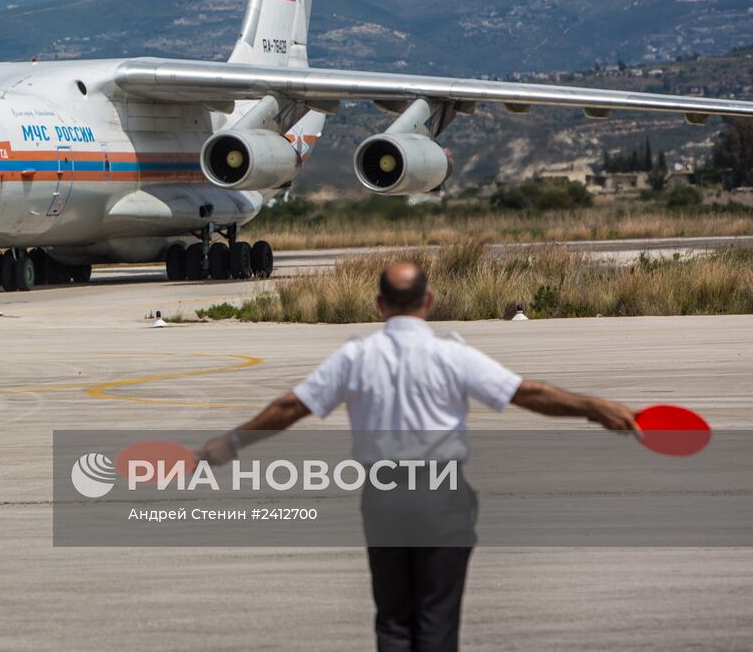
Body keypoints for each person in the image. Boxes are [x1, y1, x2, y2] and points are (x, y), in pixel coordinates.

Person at [198, 261, 639, 652]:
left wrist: (233, 441)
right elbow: (527, 393)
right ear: (428, 300)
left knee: (393, 621)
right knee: (436, 620)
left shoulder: (356, 356)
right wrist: (593, 408)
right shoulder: (451, 354)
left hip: (384, 496)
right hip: (440, 495)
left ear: (379, 305)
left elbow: (291, 407)